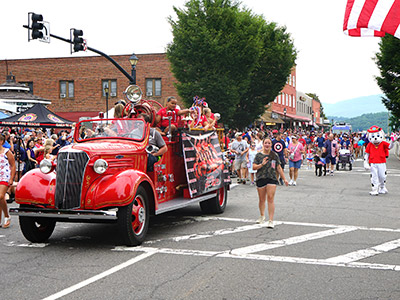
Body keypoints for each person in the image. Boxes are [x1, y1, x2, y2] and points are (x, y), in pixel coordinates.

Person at [253, 138, 289, 228]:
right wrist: (262, 164)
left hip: (272, 178)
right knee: (262, 199)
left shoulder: (274, 155)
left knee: (270, 198)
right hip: (261, 178)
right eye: (266, 143)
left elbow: (279, 167)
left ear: (271, 145)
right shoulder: (258, 155)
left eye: (269, 143)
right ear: (263, 144)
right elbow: (253, 167)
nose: (267, 145)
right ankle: (262, 216)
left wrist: (284, 179)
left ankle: (271, 220)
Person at [0, 133, 16, 228]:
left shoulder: (7, 152)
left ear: (1, 142)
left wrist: (11, 178)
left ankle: (7, 216)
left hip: (4, 176)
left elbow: (13, 165)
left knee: (1, 196)